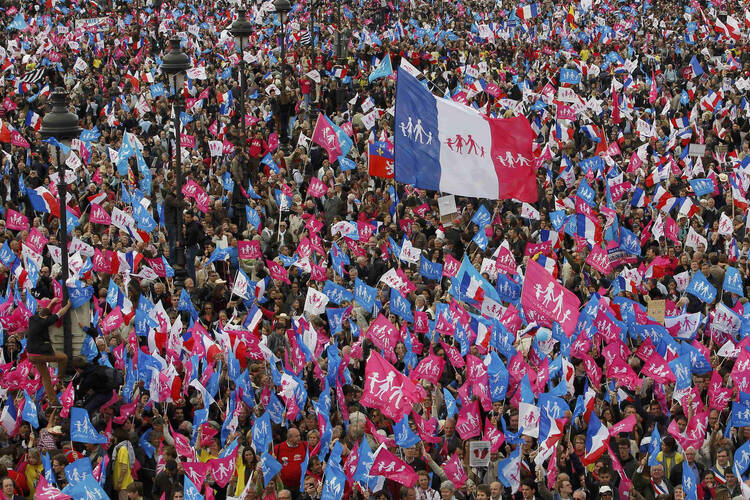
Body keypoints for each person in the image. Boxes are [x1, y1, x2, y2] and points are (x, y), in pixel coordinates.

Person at [26, 298, 72, 405]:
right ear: (47, 317)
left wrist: (51, 303)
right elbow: (59, 314)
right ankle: (60, 379)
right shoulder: (45, 321)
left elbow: (44, 312)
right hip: (39, 354)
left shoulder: (32, 319)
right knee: (63, 357)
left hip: (31, 355)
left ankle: (54, 402)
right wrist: (68, 305)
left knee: (45, 378)